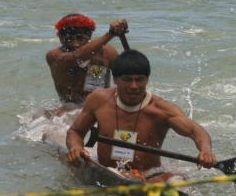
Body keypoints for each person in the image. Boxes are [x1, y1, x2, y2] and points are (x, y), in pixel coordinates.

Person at [65, 49, 217, 182]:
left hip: (149, 176)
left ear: (147, 79)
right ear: (115, 79)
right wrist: (76, 148)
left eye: (140, 79)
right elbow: (76, 132)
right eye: (127, 80)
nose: (134, 86)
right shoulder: (98, 100)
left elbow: (197, 132)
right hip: (107, 171)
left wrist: (206, 151)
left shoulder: (161, 110)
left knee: (177, 181)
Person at [46, 14, 126, 107]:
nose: (75, 44)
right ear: (60, 38)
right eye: (69, 39)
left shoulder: (106, 53)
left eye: (80, 38)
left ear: (89, 36)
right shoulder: (54, 56)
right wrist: (111, 34)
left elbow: (126, 77)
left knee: (98, 64)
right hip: (69, 109)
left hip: (99, 105)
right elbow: (78, 56)